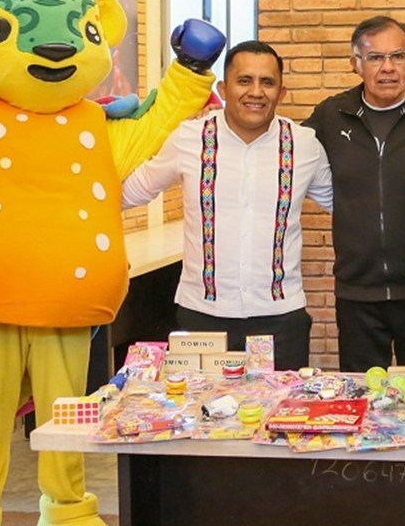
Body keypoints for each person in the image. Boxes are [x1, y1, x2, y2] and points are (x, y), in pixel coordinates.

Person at [122, 41, 333, 371]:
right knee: (195, 416)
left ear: (282, 91)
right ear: (224, 88)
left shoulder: (305, 145)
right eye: (244, 80)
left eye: (268, 82)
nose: (256, 92)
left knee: (281, 419)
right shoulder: (189, 138)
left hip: (280, 319)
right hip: (202, 318)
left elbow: (343, 203)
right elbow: (134, 190)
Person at [303, 16, 405, 372]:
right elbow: (279, 146)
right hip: (356, 292)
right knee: (364, 395)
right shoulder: (332, 114)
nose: (388, 68)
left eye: (398, 57)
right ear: (356, 63)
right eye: (375, 58)